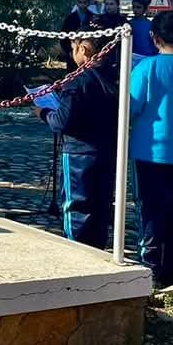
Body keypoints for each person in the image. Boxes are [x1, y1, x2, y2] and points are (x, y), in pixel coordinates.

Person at [128, 11, 173, 289]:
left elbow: (131, 107)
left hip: (151, 152)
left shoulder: (147, 68)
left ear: (154, 38)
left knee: (150, 211)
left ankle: (151, 269)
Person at [34, 23, 118, 249]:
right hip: (107, 150)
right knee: (101, 206)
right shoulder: (114, 76)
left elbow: (62, 121)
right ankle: (98, 250)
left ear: (83, 49)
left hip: (79, 152)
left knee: (76, 208)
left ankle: (77, 251)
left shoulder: (78, 80)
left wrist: (43, 113)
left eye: (73, 48)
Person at [61, 0, 95, 71]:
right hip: (72, 51)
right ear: (77, 3)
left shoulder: (93, 17)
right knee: (73, 74)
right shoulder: (70, 18)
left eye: (85, 2)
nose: (82, 5)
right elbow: (63, 36)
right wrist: (69, 51)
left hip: (88, 54)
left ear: (88, 3)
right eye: (80, 2)